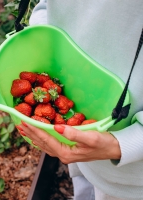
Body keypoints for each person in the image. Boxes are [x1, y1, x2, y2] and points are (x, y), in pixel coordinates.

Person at [17, 1, 143, 200]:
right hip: (79, 137)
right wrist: (39, 32)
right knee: (83, 183)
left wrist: (127, 143)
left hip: (129, 174)